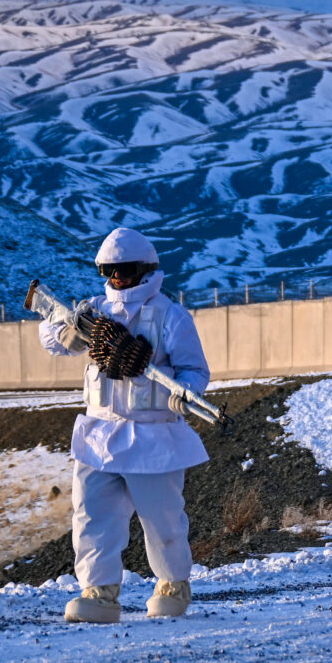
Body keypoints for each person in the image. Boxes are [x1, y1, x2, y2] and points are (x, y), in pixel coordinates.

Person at [40, 227, 211, 623]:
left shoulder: (170, 315)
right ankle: (99, 593)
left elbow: (194, 369)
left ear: (144, 269)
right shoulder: (95, 311)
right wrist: (64, 331)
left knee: (162, 517)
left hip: (153, 437)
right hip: (99, 434)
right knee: (93, 516)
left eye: (125, 270)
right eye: (111, 270)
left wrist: (182, 393)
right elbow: (50, 336)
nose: (117, 278)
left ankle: (173, 584)